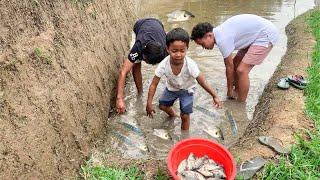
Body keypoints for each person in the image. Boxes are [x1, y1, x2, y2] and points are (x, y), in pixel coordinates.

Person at [146, 28, 222, 130]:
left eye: (182, 51)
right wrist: (149, 103)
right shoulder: (164, 64)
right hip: (171, 89)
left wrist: (215, 96)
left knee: (185, 116)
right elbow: (154, 84)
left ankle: (184, 137)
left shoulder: (190, 64)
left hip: (187, 90)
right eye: (174, 51)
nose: (178, 54)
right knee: (162, 106)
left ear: (187, 49)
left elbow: (202, 81)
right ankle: (173, 116)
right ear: (167, 49)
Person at [191, 14, 279, 102]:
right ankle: (236, 92)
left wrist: (229, 90)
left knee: (242, 70)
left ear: (209, 35)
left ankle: (241, 104)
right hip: (254, 36)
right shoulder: (219, 33)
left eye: (202, 43)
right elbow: (232, 66)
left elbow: (229, 67)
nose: (203, 47)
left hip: (265, 36)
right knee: (236, 64)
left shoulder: (222, 39)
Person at [116, 18, 167, 114]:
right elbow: (123, 72)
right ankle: (140, 92)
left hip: (158, 25)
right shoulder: (139, 47)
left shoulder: (166, 49)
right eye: (146, 61)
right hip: (140, 25)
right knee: (135, 63)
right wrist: (119, 99)